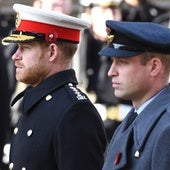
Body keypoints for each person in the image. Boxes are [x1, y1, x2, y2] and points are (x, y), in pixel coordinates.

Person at [2, 3, 107, 170]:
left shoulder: (75, 112)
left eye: (25, 48)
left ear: (52, 52)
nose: (15, 55)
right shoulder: (37, 99)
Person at [98, 20, 170, 169]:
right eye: (112, 62)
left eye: (122, 62)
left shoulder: (166, 129)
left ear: (154, 67)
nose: (111, 72)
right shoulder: (134, 118)